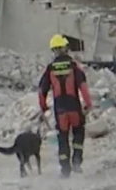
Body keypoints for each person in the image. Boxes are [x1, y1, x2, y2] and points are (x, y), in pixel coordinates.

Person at [38, 34, 92, 177]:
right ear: (66, 48)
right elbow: (83, 87)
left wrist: (43, 108)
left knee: (62, 137)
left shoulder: (50, 69)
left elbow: (41, 91)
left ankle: (65, 169)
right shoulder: (74, 66)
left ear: (54, 50)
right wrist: (88, 104)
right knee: (78, 133)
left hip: (60, 110)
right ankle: (77, 161)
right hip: (74, 107)